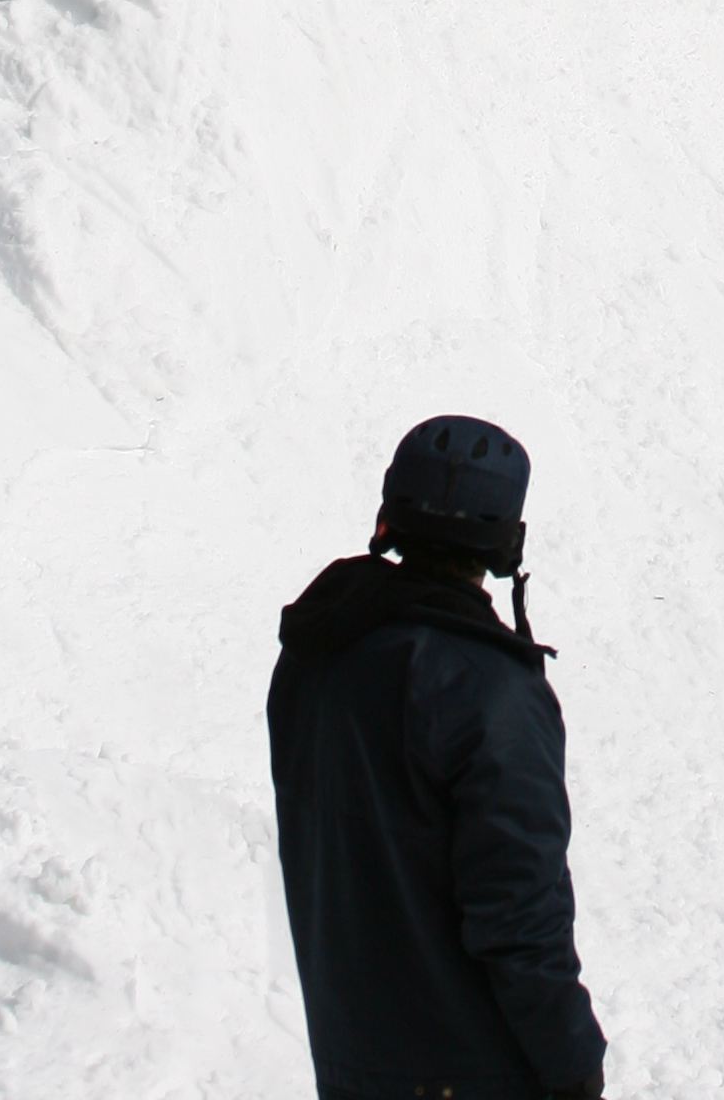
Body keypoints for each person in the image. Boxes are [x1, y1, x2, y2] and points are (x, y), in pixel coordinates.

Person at [267, 415, 609, 1100]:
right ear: (504, 540)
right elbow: (518, 916)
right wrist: (573, 1064)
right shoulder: (492, 695)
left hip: (352, 1063)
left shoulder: (315, 657)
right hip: (473, 1073)